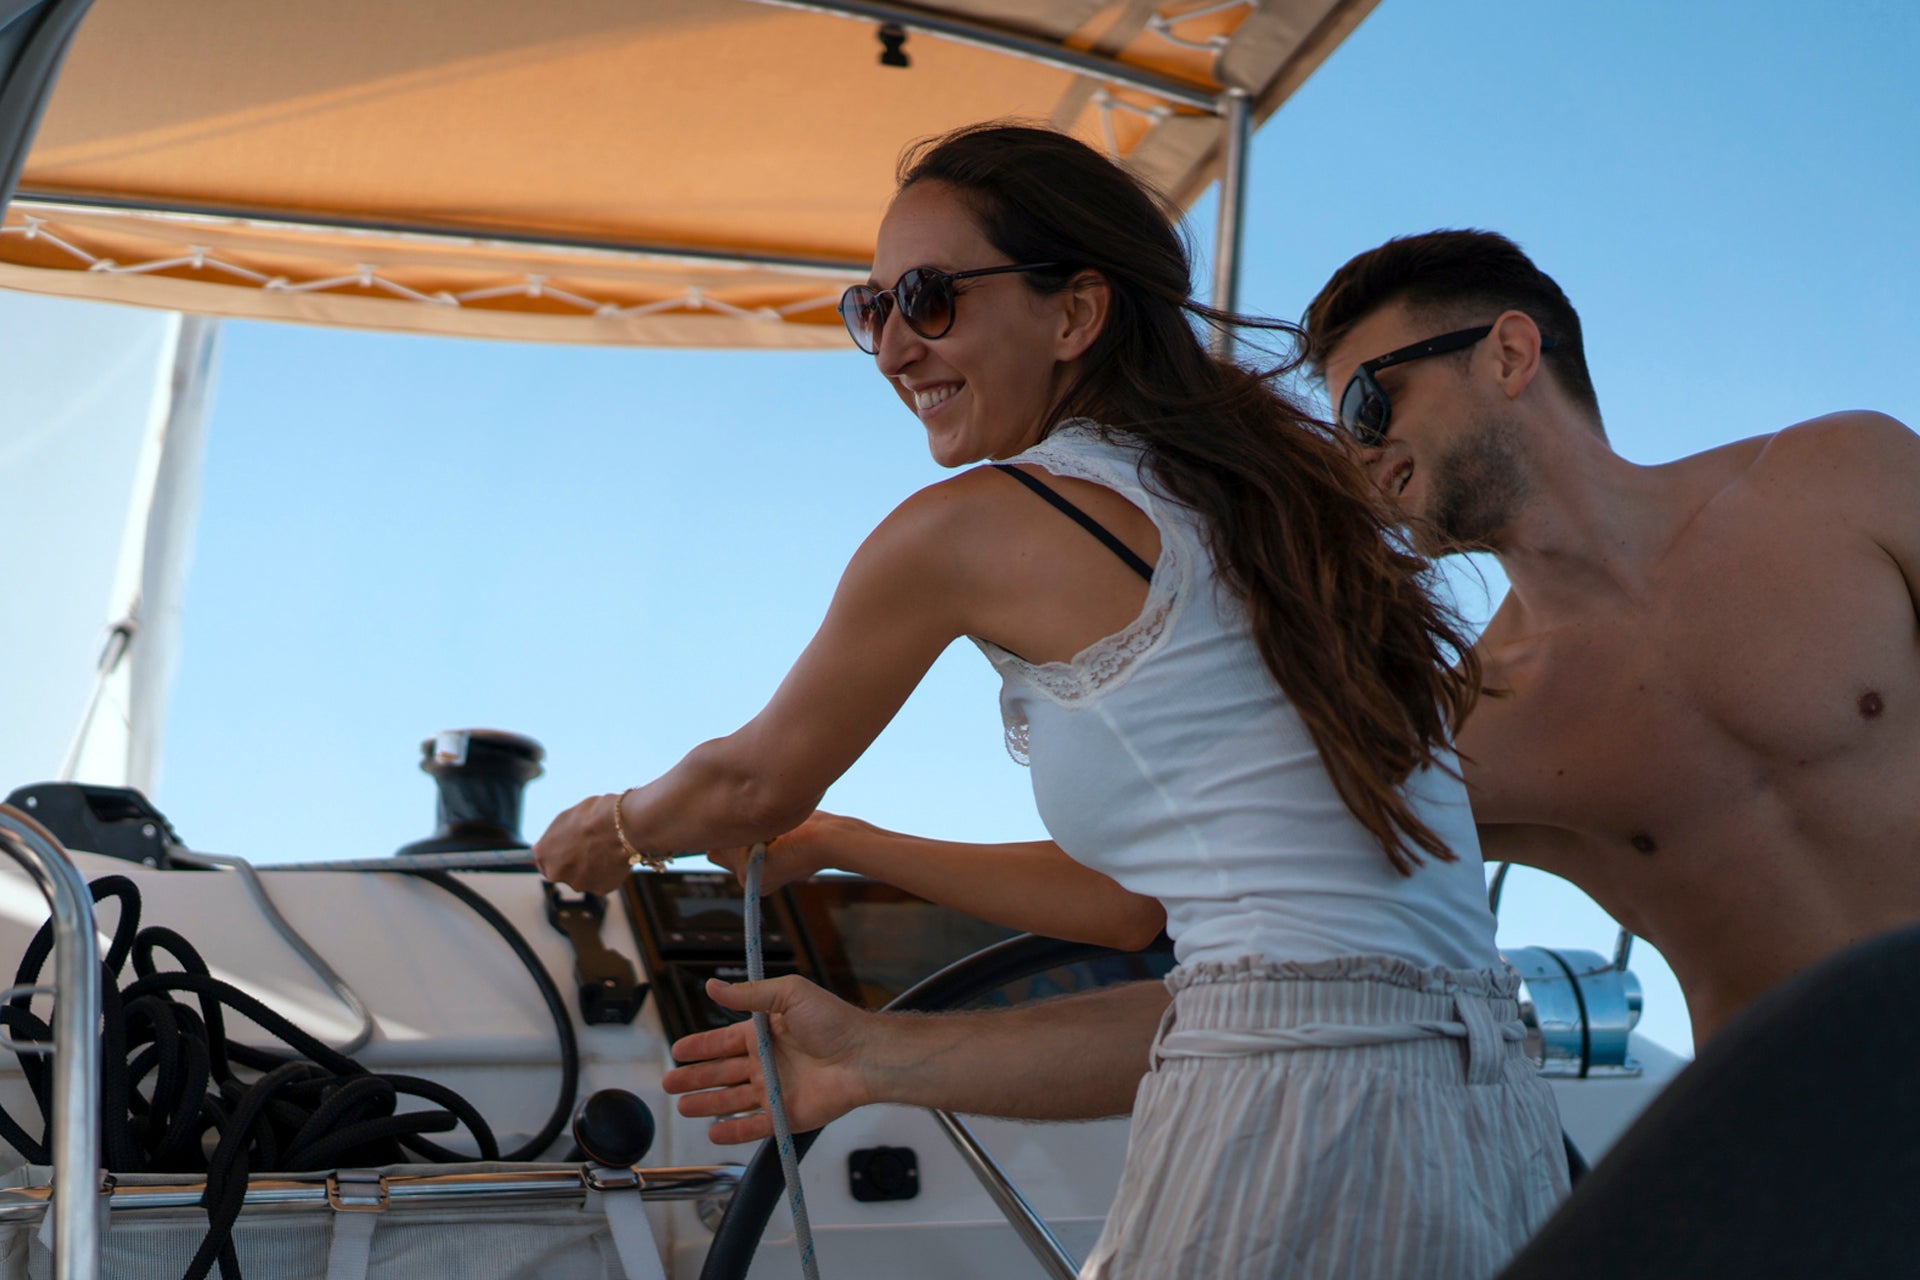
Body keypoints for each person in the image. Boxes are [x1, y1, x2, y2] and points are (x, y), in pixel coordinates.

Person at [663, 227, 1919, 1181]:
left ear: (1510, 350)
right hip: (1798, 1140)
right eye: (1336, 423)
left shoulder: (1839, 478)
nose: (1359, 452)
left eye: (1372, 400)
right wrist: (840, 852)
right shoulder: (1452, 726)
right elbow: (1222, 952)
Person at [537, 129, 1568, 1278]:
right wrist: (840, 850)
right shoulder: (1278, 517)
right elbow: (1153, 922)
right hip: (1487, 1118)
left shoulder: (982, 526)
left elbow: (747, 782)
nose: (891, 345)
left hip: (1293, 1126)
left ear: (1076, 314)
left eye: (929, 298)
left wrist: (611, 828)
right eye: (868, 307)